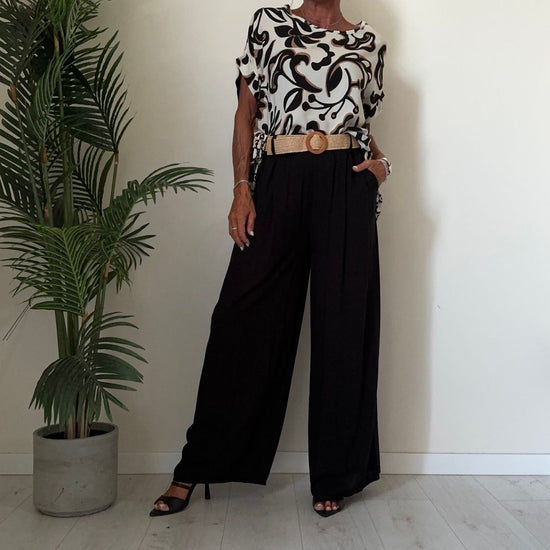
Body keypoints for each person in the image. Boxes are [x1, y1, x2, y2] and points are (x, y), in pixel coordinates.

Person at [150, 0, 390, 518]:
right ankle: (197, 464)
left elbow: (364, 122)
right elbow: (246, 112)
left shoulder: (369, 41)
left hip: (347, 184)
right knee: (240, 318)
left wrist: (382, 166)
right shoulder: (268, 23)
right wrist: (242, 187)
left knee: (344, 326)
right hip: (279, 177)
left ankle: (335, 473)